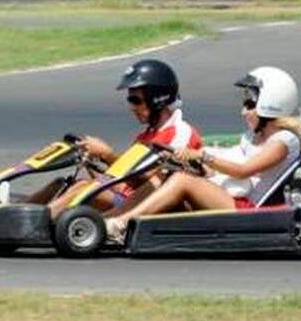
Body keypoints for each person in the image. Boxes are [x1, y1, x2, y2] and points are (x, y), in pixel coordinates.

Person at [106, 66, 301, 240]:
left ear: (272, 104)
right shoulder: (252, 137)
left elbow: (243, 171)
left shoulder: (284, 141)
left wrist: (202, 156)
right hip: (232, 197)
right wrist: (193, 164)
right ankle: (109, 218)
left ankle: (122, 224)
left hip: (251, 210)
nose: (243, 112)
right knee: (165, 175)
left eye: (250, 105)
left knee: (183, 180)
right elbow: (226, 165)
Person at [41, 58, 202, 218]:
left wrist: (107, 155)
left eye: (136, 100)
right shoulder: (146, 136)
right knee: (62, 184)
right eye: (130, 100)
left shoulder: (181, 133)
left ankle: (36, 224)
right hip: (127, 198)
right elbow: (122, 180)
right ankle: (22, 217)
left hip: (150, 206)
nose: (132, 107)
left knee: (83, 188)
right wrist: (92, 162)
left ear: (157, 99)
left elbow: (156, 182)